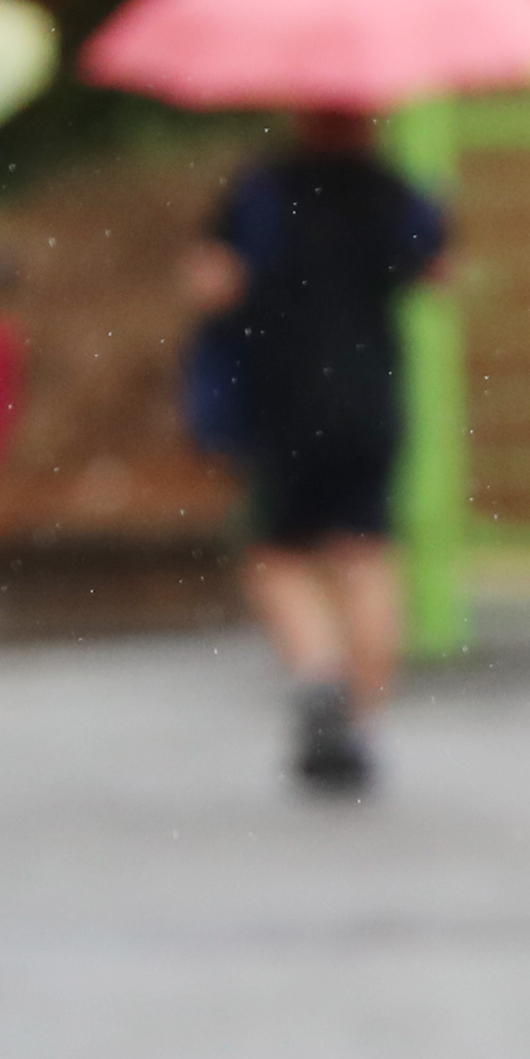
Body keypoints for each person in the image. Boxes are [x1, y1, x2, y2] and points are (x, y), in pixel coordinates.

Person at [181, 109, 446, 794]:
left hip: (286, 398)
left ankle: (319, 674)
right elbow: (435, 269)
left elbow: (214, 285)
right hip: (372, 397)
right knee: (366, 553)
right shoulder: (396, 191)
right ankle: (363, 726)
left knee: (278, 556)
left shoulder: (260, 192)